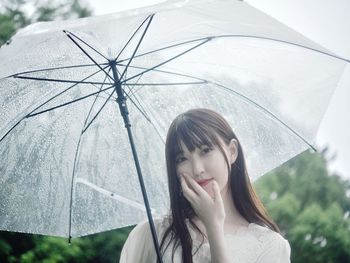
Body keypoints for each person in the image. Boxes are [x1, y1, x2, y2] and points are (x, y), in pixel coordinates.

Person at [120, 108, 291, 263]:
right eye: (182, 159)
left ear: (232, 151)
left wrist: (213, 226)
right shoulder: (152, 234)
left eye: (205, 150)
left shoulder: (270, 246)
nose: (197, 169)